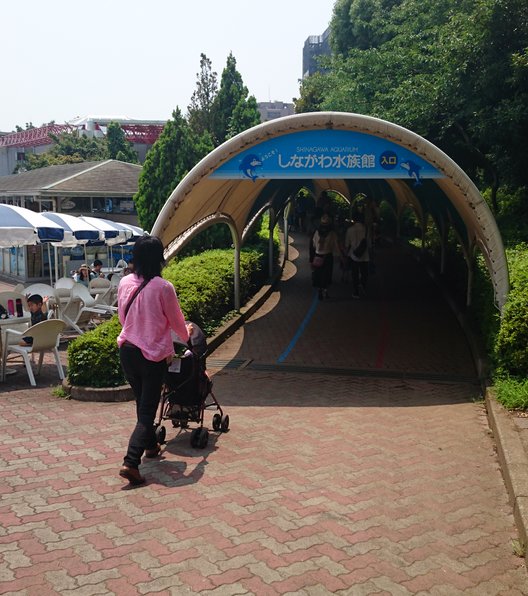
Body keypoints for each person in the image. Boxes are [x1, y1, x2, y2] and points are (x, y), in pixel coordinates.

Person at [117, 235, 191, 486]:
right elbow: (176, 321)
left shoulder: (125, 281)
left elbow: (121, 316)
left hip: (127, 349)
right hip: (152, 355)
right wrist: (186, 335)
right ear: (159, 258)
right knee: (147, 410)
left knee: (143, 402)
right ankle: (131, 462)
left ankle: (150, 447)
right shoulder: (163, 287)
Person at [309, 214, 341, 300]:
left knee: (318, 274)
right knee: (327, 274)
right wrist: (339, 255)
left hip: (318, 255)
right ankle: (325, 291)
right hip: (328, 256)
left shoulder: (316, 232)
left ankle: (319, 290)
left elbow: (314, 244)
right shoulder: (332, 233)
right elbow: (335, 245)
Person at [345, 212, 370, 299]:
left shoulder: (350, 230)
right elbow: (369, 243)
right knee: (364, 273)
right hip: (365, 255)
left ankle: (356, 292)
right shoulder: (366, 230)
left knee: (354, 274)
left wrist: (346, 254)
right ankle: (363, 285)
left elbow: (347, 244)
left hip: (353, 255)